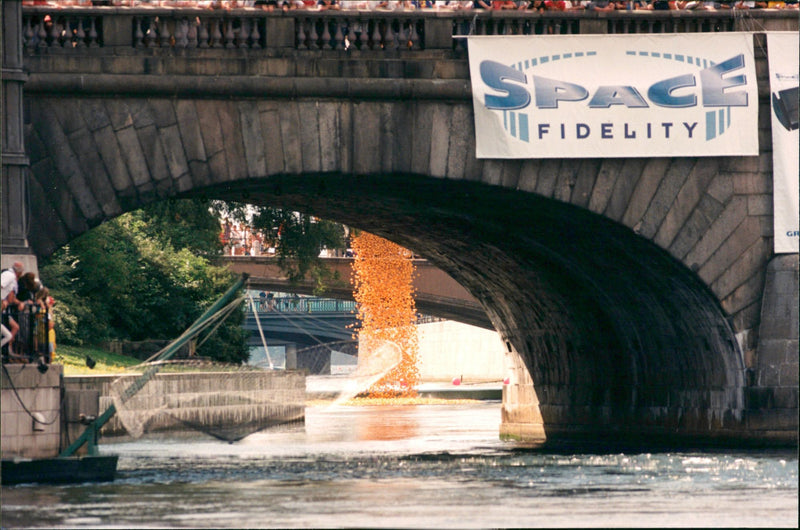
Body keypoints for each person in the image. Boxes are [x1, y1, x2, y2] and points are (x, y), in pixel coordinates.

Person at [1, 262, 25, 360]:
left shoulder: (12, 278)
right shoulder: (10, 275)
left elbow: (10, 297)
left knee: (8, 335)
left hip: (3, 308)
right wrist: (2, 300)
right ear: (19, 272)